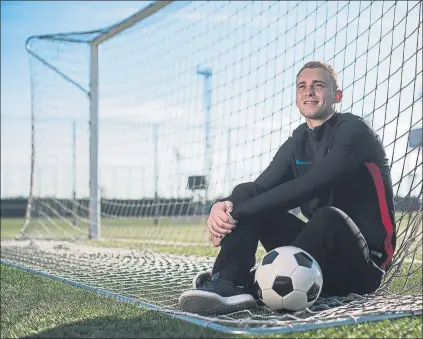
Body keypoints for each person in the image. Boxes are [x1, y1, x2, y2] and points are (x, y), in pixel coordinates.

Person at [178, 61, 396, 315]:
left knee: (329, 216)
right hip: (316, 256)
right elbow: (260, 187)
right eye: (302, 86)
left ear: (337, 96)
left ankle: (254, 282)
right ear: (296, 98)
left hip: (365, 265)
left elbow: (310, 184)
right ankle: (229, 280)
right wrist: (222, 207)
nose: (309, 91)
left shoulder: (355, 131)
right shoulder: (298, 141)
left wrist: (238, 212)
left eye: (318, 85)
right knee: (246, 192)